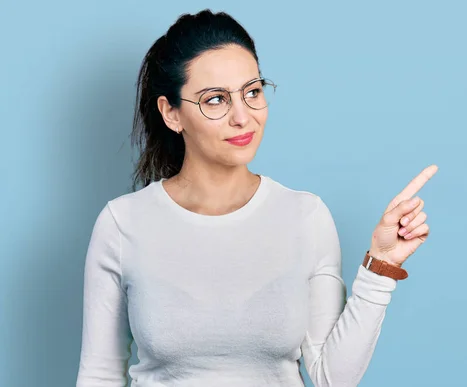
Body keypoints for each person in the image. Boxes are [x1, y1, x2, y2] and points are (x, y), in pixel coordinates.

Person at [75, 9, 438, 387]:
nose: (242, 117)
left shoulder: (305, 217)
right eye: (215, 100)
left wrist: (381, 266)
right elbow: (99, 374)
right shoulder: (123, 224)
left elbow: (333, 377)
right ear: (172, 113)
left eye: (252, 92)